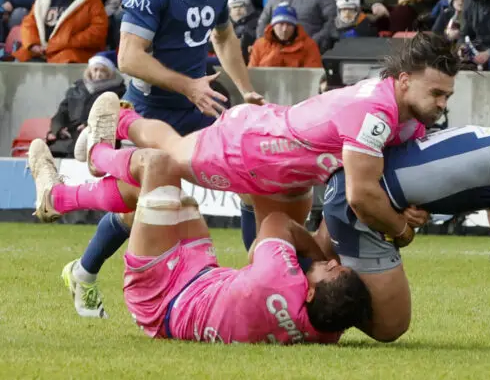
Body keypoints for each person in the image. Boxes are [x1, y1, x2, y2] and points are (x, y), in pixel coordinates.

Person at [35, 33, 458, 313]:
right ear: (404, 81)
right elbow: (361, 193)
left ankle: (99, 152)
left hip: (289, 170)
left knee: (290, 262)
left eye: (446, 95)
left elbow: (384, 181)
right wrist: (401, 229)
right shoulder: (378, 110)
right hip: (253, 149)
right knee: (165, 162)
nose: (442, 103)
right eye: (436, 92)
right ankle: (101, 153)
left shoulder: (407, 117)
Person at [59, 0, 263, 319]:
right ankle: (83, 271)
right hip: (150, 111)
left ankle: (259, 280)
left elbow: (223, 37)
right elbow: (130, 58)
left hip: (197, 102)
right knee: (140, 208)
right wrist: (187, 84)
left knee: (249, 179)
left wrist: (246, 89)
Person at [320, 78, 490, 343]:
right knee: (390, 326)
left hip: (349, 187)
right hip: (362, 206)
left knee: (314, 261)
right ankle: (297, 317)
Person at [29, 138, 371, 343]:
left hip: (161, 296)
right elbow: (267, 256)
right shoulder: (328, 328)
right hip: (201, 279)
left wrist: (310, 253)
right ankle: (81, 266)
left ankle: (94, 155)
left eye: (329, 270)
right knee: (167, 204)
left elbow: (279, 222)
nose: (331, 262)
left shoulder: (279, 280)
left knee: (160, 167)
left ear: (309, 292)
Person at [14, 0, 108, 64]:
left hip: (71, 52)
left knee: (66, 61)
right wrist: (33, 45)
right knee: (19, 60)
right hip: (40, 50)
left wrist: (66, 42)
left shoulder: (92, 0)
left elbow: (98, 30)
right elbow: (29, 24)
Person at [45, 55, 126, 158]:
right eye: (95, 70)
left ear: (110, 73)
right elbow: (61, 112)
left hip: (96, 137)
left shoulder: (118, 92)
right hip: (69, 136)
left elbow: (115, 116)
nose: (98, 74)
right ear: (89, 71)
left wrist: (89, 125)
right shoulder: (76, 90)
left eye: (103, 71)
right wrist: (58, 129)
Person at [249, 3, 323, 67]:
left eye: (289, 25)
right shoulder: (260, 45)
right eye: (281, 24)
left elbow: (313, 76)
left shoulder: (309, 45)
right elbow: (252, 74)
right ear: (273, 25)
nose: (284, 29)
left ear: (295, 27)